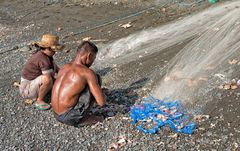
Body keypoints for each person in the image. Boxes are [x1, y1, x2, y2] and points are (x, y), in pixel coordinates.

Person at [51, 41, 107, 127]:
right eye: (93, 58)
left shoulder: (64, 67)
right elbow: (101, 103)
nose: (92, 62)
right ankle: (83, 119)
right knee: (96, 78)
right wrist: (102, 95)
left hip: (55, 113)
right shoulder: (87, 73)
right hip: (69, 117)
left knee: (86, 84)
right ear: (89, 56)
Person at [19, 34, 64, 110]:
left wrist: (63, 73)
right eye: (53, 50)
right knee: (47, 79)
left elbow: (56, 68)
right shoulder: (42, 59)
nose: (55, 52)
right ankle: (39, 100)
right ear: (48, 49)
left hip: (32, 83)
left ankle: (43, 91)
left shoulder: (46, 55)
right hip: (26, 89)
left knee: (54, 78)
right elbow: (50, 76)